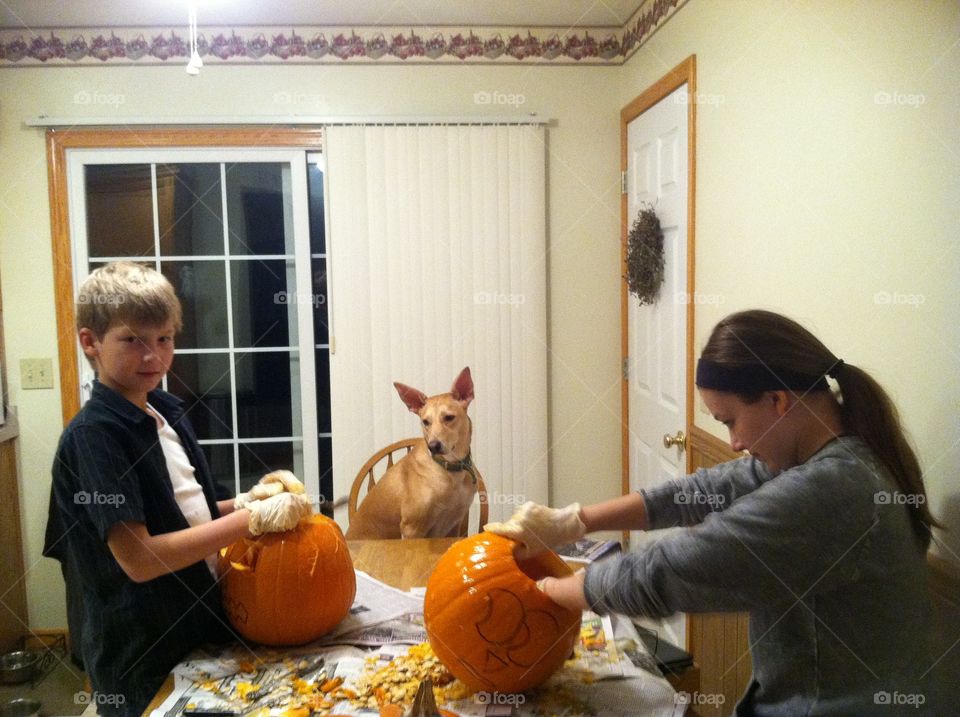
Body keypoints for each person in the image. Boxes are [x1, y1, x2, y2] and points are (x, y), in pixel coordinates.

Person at [487, 309, 941, 715]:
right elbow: (702, 491)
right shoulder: (823, 453)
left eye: (728, 420)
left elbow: (673, 570)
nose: (734, 443)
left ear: (778, 401)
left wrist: (542, 590)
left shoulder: (835, 489)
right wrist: (575, 520)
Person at [46, 261, 313, 715]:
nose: (153, 356)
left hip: (201, 630)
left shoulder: (164, 410)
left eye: (164, 339)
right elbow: (140, 558)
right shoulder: (96, 436)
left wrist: (245, 499)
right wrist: (249, 521)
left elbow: (186, 512)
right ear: (90, 342)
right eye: (133, 341)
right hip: (144, 656)